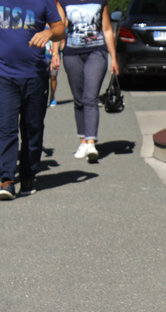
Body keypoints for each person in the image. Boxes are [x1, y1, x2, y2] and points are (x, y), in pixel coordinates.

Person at [0, 0, 65, 200]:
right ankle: (7, 180)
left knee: (32, 128)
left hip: (35, 76)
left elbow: (61, 29)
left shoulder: (43, 1)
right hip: (4, 75)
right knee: (6, 127)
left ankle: (28, 175)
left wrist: (49, 33)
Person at [56, 0, 119, 162]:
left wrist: (113, 57)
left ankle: (91, 143)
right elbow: (59, 28)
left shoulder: (99, 1)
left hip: (96, 52)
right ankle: (83, 141)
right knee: (78, 99)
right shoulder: (64, 2)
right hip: (72, 53)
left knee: (90, 97)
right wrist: (55, 53)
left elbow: (106, 29)